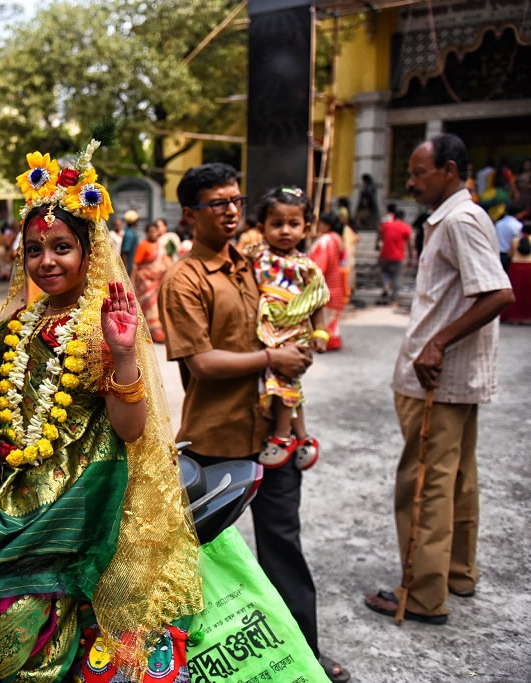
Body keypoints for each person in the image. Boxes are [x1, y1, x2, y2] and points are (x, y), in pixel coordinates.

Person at [0, 139, 201, 683]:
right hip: (18, 477)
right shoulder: (22, 316)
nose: (45, 261)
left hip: (83, 484)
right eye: (34, 249)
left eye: (61, 247)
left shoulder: (104, 322)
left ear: (89, 251)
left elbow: (131, 427)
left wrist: (126, 351)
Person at [157, 163, 348, 682]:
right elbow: (201, 363)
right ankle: (196, 662)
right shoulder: (184, 278)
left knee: (284, 546)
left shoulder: (256, 262)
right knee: (210, 560)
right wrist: (274, 359)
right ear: (189, 215)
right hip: (215, 440)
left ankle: (306, 655)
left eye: (236, 200)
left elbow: (295, 318)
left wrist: (300, 350)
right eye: (217, 203)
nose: (231, 211)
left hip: (270, 435)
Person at [364, 133, 513, 625]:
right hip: (450, 378)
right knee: (457, 478)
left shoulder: (461, 219)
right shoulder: (455, 218)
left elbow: (496, 293)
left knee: (424, 483)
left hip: (435, 377)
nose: (410, 181)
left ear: (449, 170)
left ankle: (423, 594)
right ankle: (456, 572)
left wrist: (437, 343)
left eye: (419, 172)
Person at [245, 187, 330, 470]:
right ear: (261, 228)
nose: (285, 231)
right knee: (287, 385)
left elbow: (318, 301)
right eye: (276, 224)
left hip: (292, 331)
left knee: (283, 380)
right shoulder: (257, 256)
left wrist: (320, 332)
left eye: (293, 224)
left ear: (306, 228)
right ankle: (304, 436)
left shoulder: (307, 267)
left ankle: (283, 436)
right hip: (267, 328)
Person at [309, 212, 348, 350]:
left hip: (325, 284)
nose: (318, 226)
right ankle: (332, 341)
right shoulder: (338, 238)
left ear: (326, 225)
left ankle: (323, 342)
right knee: (330, 318)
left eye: (320, 224)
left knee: (323, 317)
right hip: (336, 283)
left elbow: (319, 265)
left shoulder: (325, 240)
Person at [131, 222, 170, 342]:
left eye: (155, 231)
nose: (153, 234)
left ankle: (155, 331)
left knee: (157, 305)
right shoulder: (143, 245)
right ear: (147, 233)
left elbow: (166, 262)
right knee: (149, 306)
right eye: (150, 232)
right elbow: (136, 265)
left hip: (158, 281)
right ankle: (153, 332)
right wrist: (131, 281)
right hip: (145, 282)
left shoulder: (161, 245)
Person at [501, 222, 531, 325]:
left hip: (516, 267)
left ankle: (514, 316)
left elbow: (510, 254)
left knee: (516, 291)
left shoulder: (514, 241)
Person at [376, 208, 414, 303]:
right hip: (398, 256)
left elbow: (379, 236)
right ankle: (394, 297)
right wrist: (410, 257)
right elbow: (410, 244)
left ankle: (385, 285)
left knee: (383, 271)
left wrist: (377, 246)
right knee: (397, 276)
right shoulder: (405, 227)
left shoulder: (386, 225)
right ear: (403, 217)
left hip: (385, 254)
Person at [494, 201, 526, 271]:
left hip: (497, 253)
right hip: (508, 256)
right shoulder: (518, 226)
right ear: (519, 213)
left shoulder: (499, 223)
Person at [120, 209, 140, 275]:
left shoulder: (129, 231)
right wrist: (125, 268)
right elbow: (125, 252)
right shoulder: (130, 234)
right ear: (135, 221)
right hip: (128, 266)